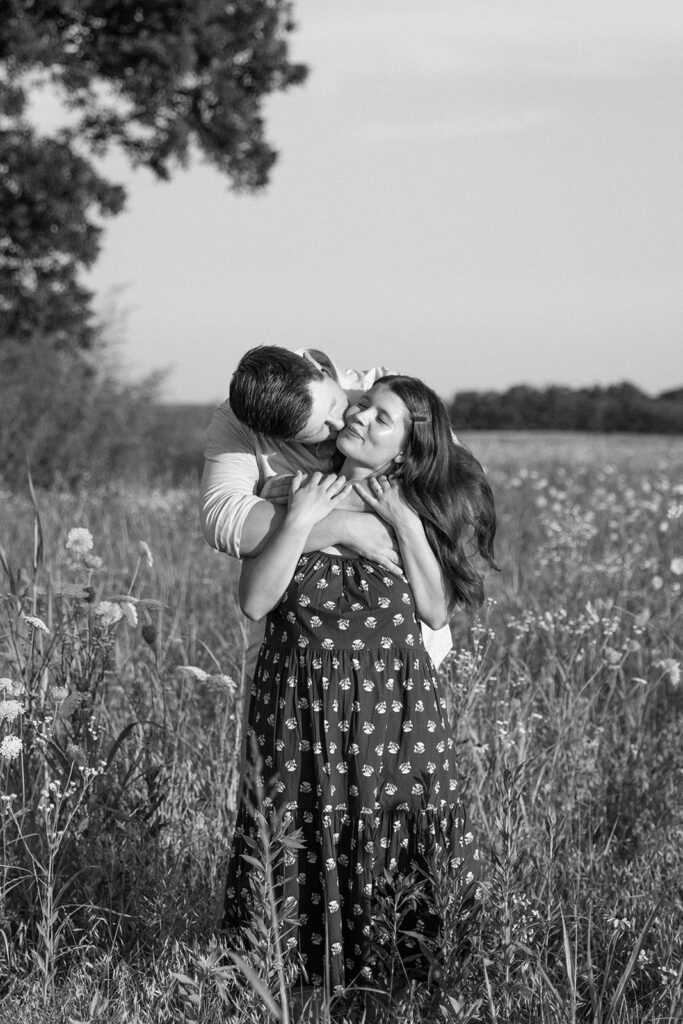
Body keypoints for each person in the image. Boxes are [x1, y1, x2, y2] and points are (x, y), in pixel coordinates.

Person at [223, 374, 497, 995]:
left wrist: (399, 520)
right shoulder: (291, 491)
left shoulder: (414, 507)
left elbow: (435, 610)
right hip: (299, 700)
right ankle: (296, 982)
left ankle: (404, 982)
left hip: (395, 703)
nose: (362, 418)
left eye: (383, 419)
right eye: (365, 406)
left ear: (404, 448)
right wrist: (307, 523)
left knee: (401, 824)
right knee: (299, 826)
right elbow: (254, 601)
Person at [200, 346, 455, 679]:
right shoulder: (242, 421)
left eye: (337, 406)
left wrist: (323, 500)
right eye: (316, 432)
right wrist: (341, 523)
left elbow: (458, 493)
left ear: (316, 367)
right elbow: (225, 524)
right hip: (292, 676)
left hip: (402, 676)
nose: (344, 422)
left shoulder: (385, 390)